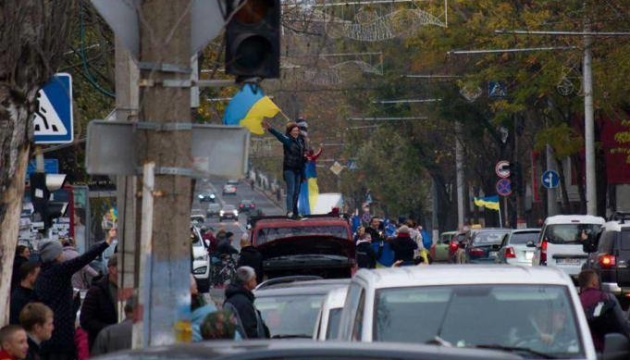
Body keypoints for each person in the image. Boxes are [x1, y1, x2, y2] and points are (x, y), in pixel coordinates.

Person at [34, 229, 116, 360]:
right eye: (60, 252)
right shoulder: (59, 271)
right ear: (54, 255)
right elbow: (83, 259)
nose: (62, 255)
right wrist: (107, 242)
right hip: (61, 330)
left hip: (47, 329)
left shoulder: (42, 274)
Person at [262, 120, 306, 219]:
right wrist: (270, 128)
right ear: (290, 131)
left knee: (297, 192)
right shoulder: (287, 140)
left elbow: (304, 153)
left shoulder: (300, 140)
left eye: (297, 131)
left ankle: (295, 211)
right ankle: (289, 211)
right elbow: (279, 135)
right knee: (291, 190)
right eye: (294, 131)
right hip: (289, 169)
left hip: (299, 170)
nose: (296, 132)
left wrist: (307, 156)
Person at [578, 269, 630, 351]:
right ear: (594, 282)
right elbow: (622, 322)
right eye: (597, 280)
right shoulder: (605, 298)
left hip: (581, 347)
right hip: (604, 347)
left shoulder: (576, 301)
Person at [80, 254, 119, 352]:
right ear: (112, 269)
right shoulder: (96, 291)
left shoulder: (131, 289)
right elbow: (85, 321)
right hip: (103, 347)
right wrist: (111, 329)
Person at [223, 266, 269, 339]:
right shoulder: (242, 303)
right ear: (248, 281)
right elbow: (249, 330)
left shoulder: (234, 299)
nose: (256, 283)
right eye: (254, 279)